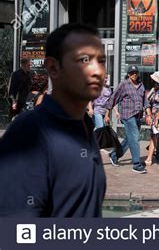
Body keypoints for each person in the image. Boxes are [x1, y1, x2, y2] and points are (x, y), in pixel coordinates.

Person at [0, 23, 106, 216]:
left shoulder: (85, 127)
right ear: (53, 68)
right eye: (84, 60)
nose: (97, 71)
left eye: (101, 61)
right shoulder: (29, 133)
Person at [105, 65, 147, 174]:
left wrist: (148, 113)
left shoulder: (141, 85)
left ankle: (114, 154)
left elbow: (145, 101)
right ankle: (136, 164)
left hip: (138, 115)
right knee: (135, 138)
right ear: (128, 74)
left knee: (130, 139)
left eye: (135, 72)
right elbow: (113, 98)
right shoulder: (124, 84)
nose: (134, 74)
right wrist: (107, 114)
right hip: (128, 116)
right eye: (131, 72)